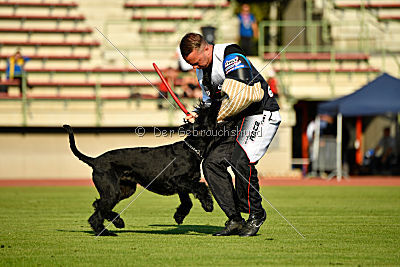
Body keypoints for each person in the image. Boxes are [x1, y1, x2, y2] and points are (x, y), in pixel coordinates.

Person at [179, 33, 280, 236]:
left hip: (260, 112)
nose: (196, 68)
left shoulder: (230, 54)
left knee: (241, 160)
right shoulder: (202, 72)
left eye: (197, 62)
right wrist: (197, 116)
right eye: (192, 65)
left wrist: (211, 114)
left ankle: (256, 214)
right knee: (211, 164)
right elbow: (211, 105)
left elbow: (241, 93)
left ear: (205, 48)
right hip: (237, 121)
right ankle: (235, 219)